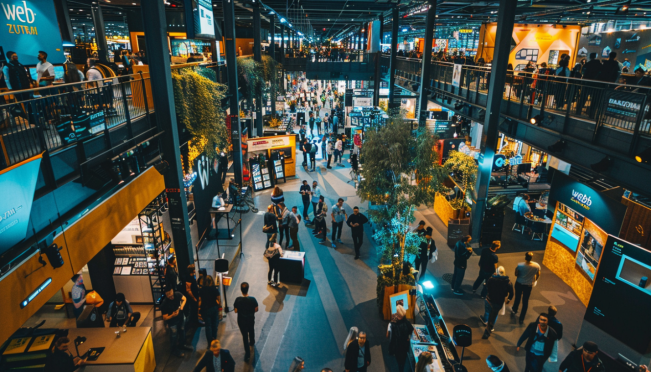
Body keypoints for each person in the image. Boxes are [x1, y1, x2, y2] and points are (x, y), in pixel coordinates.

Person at [481, 266, 514, 338]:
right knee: (494, 315)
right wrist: (508, 299)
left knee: (488, 311)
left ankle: (486, 322)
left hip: (489, 299)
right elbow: (511, 293)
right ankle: (489, 328)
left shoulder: (491, 279)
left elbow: (487, 287)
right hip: (499, 302)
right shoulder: (508, 282)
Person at [161, 287, 193, 357]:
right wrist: (172, 315)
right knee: (174, 336)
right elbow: (165, 317)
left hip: (181, 318)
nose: (171, 297)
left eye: (172, 295)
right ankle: (174, 350)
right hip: (172, 322)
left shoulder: (177, 294)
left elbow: (184, 299)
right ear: (166, 295)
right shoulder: (164, 303)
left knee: (182, 331)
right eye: (169, 296)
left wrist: (181, 307)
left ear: (172, 291)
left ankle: (182, 345)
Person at [511, 252, 541, 324]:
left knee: (517, 297)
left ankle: (514, 309)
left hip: (519, 283)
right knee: (525, 301)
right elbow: (538, 274)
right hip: (528, 286)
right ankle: (521, 318)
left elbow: (516, 274)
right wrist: (534, 280)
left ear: (525, 257)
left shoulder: (520, 265)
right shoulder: (536, 265)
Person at [233, 282, 259, 362]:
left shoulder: (238, 300)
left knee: (244, 336)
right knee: (251, 330)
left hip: (242, 321)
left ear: (241, 290)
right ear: (248, 289)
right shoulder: (253, 299)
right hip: (250, 319)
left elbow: (236, 311)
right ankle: (252, 342)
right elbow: (256, 309)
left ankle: (247, 354)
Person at [387, 305, 413, 372]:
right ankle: (401, 368)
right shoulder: (407, 322)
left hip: (397, 346)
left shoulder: (394, 324)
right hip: (404, 345)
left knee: (398, 360)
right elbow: (411, 330)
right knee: (403, 359)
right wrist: (409, 338)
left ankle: (400, 368)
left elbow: (391, 337)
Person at [199, 275, 221, 346]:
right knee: (214, 325)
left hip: (205, 309)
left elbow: (200, 300)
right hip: (213, 308)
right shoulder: (214, 289)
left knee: (208, 326)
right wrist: (218, 305)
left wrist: (199, 310)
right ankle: (214, 340)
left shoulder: (201, 290)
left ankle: (209, 343)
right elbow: (218, 299)